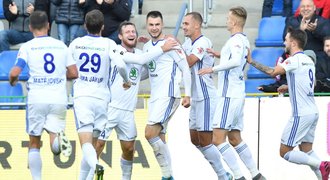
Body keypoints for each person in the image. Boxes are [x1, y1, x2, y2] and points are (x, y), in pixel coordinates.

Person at [95, 21, 177, 180]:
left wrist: (156, 47)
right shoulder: (117, 51)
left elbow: (146, 71)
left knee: (129, 149)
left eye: (133, 31)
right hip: (110, 108)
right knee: (98, 144)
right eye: (127, 32)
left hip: (127, 112)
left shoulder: (140, 53)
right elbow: (140, 61)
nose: (132, 34)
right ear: (120, 36)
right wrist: (161, 48)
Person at [247, 27, 330, 180]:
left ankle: (321, 165)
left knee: (285, 151)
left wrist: (251, 61)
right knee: (307, 150)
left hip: (301, 114)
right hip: (313, 111)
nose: (284, 42)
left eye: (286, 39)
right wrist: (289, 86)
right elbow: (307, 85)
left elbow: (273, 72)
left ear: (293, 43)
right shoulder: (308, 60)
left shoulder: (293, 60)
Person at [198, 6, 265, 180]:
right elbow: (236, 58)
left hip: (228, 95)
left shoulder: (235, 40)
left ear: (234, 22)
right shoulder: (242, 40)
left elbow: (235, 61)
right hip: (237, 94)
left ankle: (238, 176)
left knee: (218, 139)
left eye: (228, 18)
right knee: (235, 138)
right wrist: (218, 54)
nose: (226, 21)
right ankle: (256, 174)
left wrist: (212, 68)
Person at [8, 10, 77, 179]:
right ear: (48, 25)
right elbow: (74, 72)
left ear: (30, 27)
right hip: (58, 99)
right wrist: (59, 76)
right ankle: (55, 143)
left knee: (34, 142)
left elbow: (15, 71)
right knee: (54, 132)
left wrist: (12, 81)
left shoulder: (27, 47)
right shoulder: (61, 45)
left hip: (37, 99)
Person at [68, 9, 130, 180]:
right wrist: (126, 80)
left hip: (82, 97)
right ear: (102, 27)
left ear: (85, 26)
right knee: (93, 144)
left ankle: (97, 166)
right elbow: (122, 65)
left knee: (86, 145)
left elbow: (69, 69)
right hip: (102, 98)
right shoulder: (109, 44)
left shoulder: (76, 43)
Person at [181, 12, 231, 179]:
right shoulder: (187, 43)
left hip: (206, 96)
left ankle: (223, 175)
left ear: (197, 25)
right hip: (195, 97)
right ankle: (224, 173)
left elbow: (188, 61)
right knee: (195, 139)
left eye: (187, 23)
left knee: (206, 140)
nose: (183, 26)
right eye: (183, 23)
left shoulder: (203, 42)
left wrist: (173, 49)